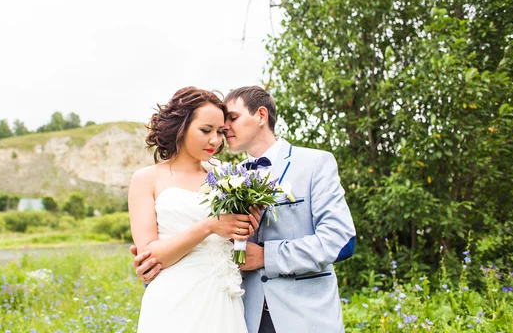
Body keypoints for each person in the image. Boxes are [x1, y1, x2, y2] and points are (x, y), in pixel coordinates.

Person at [133, 86, 356, 333]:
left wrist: (264, 256)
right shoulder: (229, 176)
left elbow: (341, 240)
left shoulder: (315, 163)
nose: (223, 131)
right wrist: (153, 265)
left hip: (303, 316)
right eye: (213, 127)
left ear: (261, 115)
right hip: (242, 312)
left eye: (231, 119)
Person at [129, 86, 261, 333]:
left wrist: (246, 226)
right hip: (173, 299)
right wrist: (210, 225)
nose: (215, 140)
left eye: (220, 132)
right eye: (205, 130)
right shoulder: (146, 179)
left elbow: (236, 240)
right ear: (180, 127)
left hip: (223, 298)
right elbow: (150, 256)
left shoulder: (225, 177)